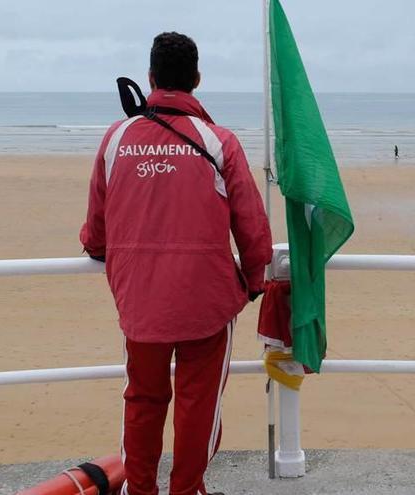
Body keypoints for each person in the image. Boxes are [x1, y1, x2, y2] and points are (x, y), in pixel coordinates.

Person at [80, 32, 272, 495]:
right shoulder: (219, 140)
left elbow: (96, 229)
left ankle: (140, 489)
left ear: (150, 79)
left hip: (140, 301)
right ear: (197, 80)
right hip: (205, 302)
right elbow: (252, 226)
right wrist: (252, 282)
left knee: (142, 400)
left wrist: (102, 253)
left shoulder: (116, 138)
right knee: (197, 404)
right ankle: (187, 489)